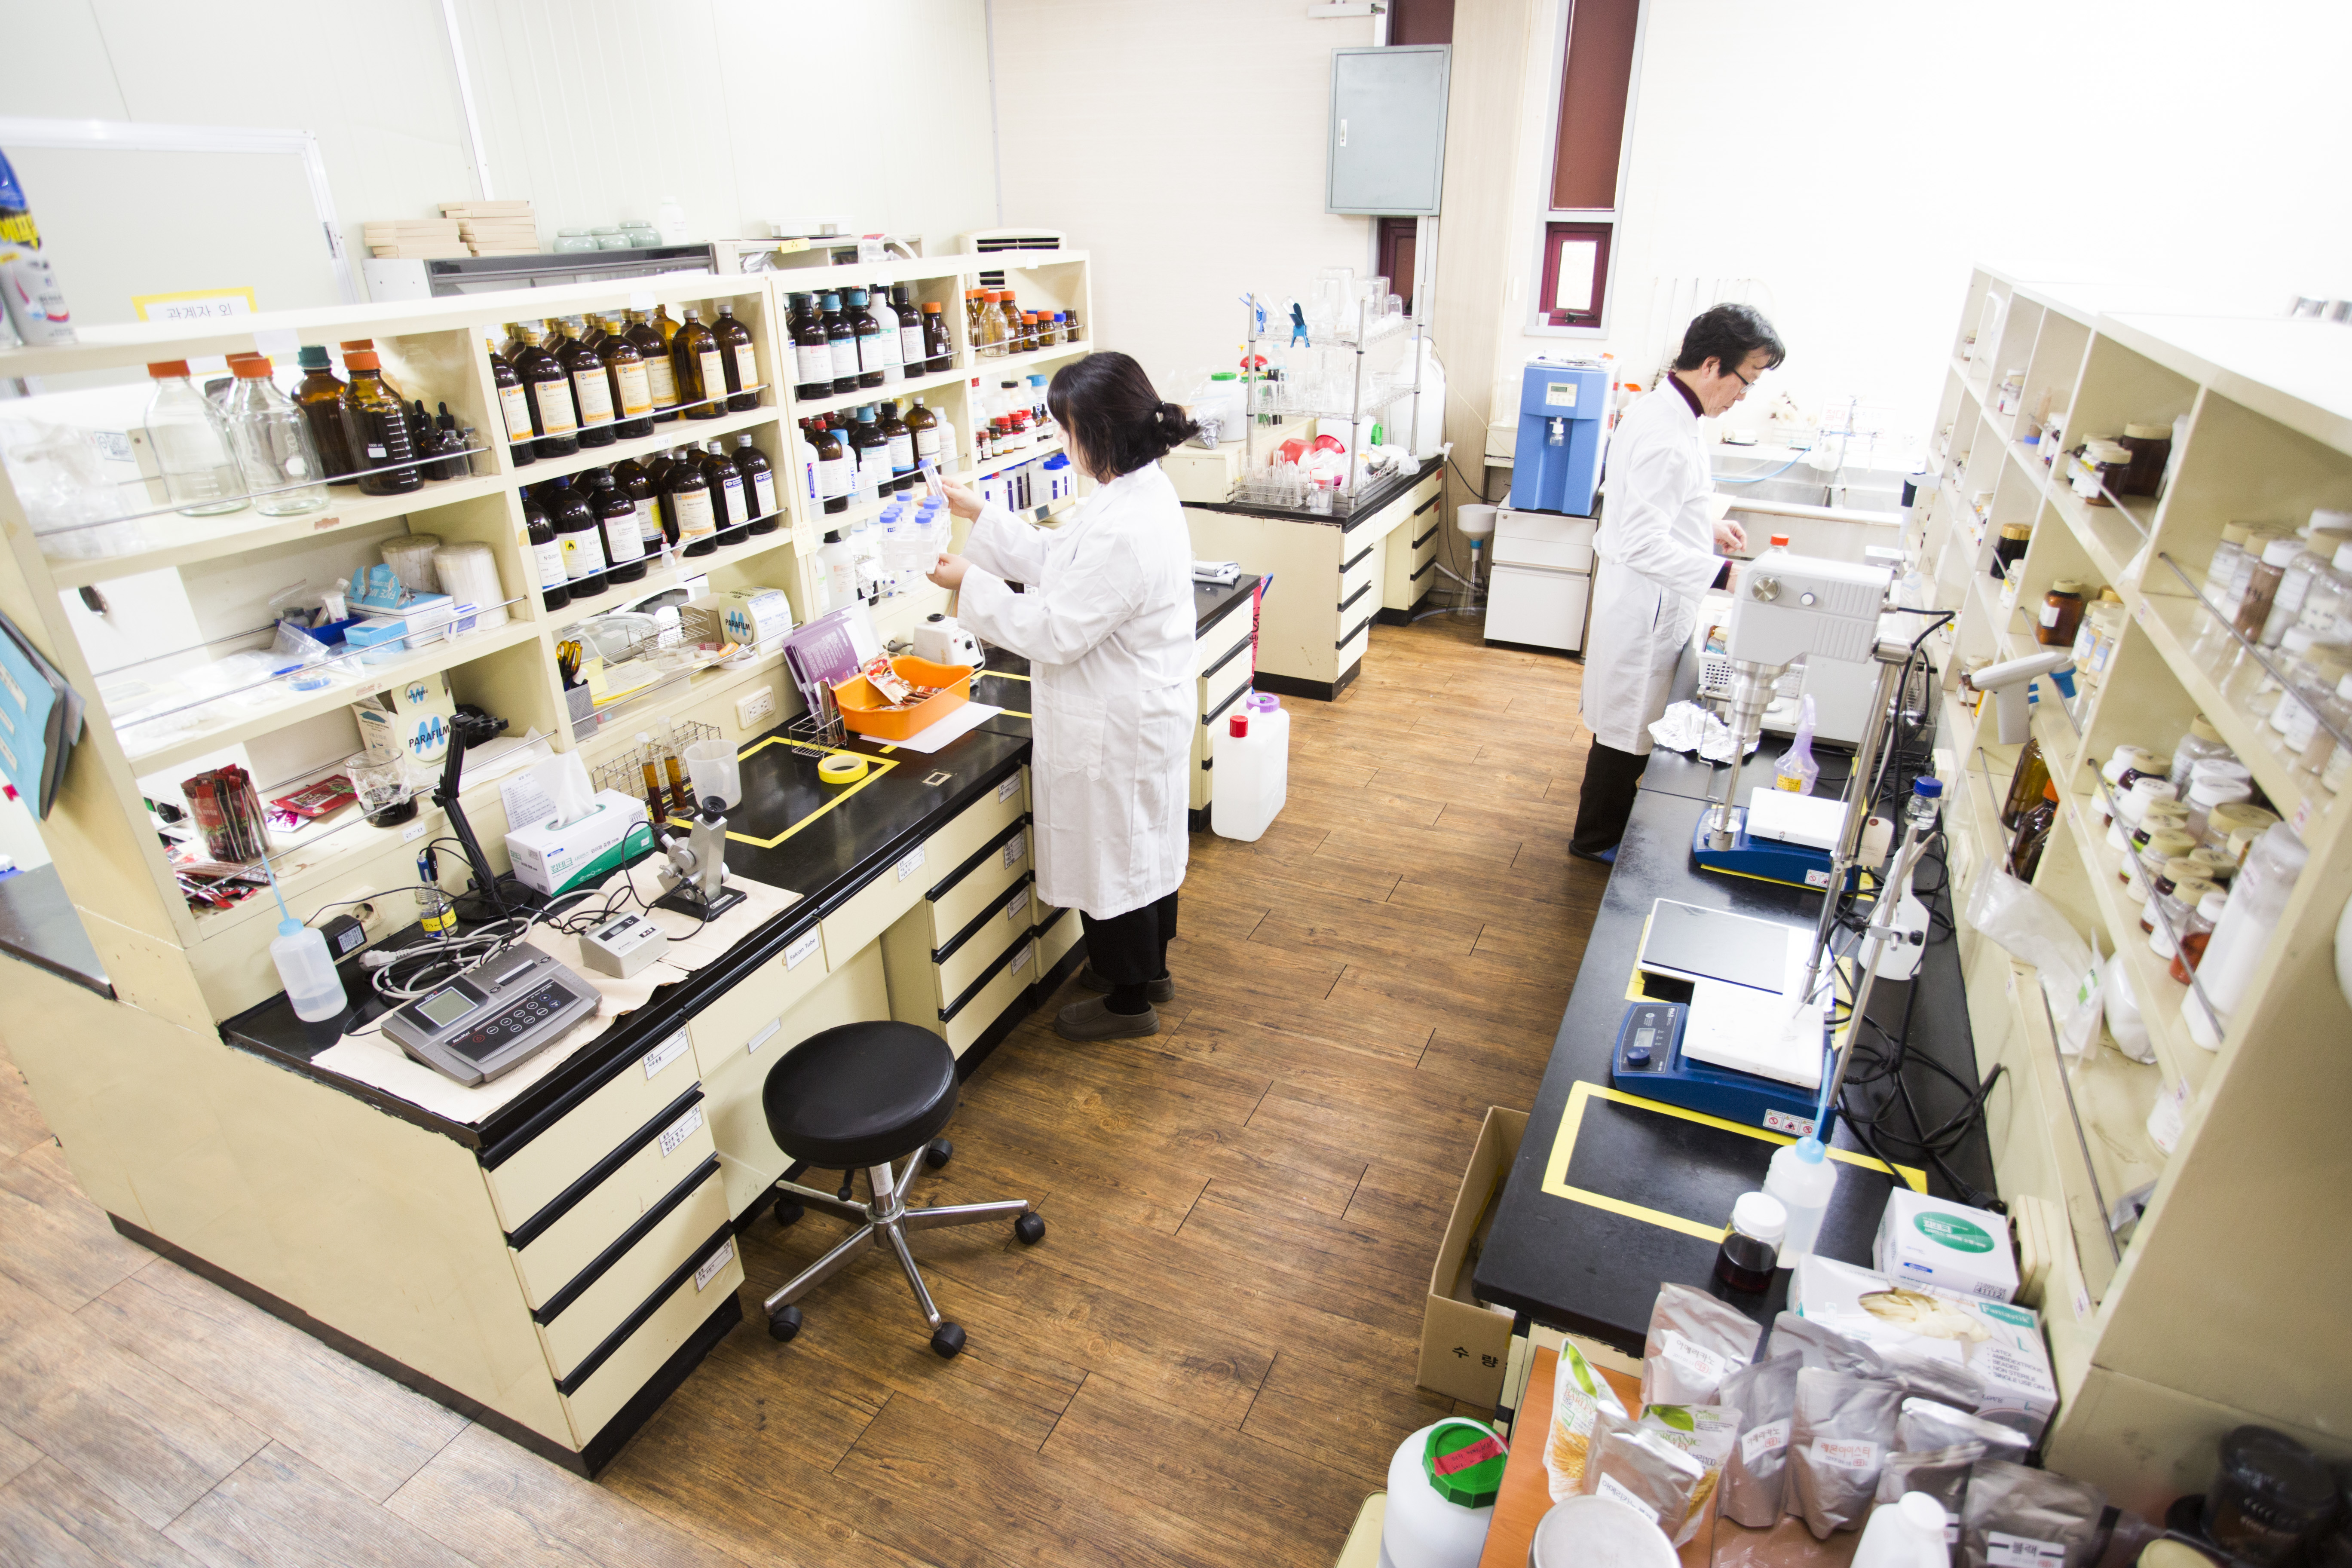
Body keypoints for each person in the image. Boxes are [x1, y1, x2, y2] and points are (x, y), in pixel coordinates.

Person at [928, 352, 1197, 1041]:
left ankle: (1128, 1005)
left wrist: (970, 585)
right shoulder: (1133, 492)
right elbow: (1063, 564)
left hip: (1117, 721)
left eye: (1066, 428)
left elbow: (1054, 630)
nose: (1061, 440)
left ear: (1100, 433)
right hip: (1135, 708)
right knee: (1140, 852)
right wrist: (982, 516)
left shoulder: (1127, 525)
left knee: (1116, 861)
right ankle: (1150, 974)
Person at [1569, 303, 1785, 863]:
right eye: (1746, 381)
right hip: (1646, 603)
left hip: (1649, 596)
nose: (1744, 396)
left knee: (1631, 721)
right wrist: (1728, 575)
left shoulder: (1667, 411)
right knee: (1627, 728)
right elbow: (1641, 542)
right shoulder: (1666, 432)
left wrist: (1703, 524)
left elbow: (1650, 505)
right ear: (1712, 365)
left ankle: (1607, 830)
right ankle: (1595, 841)